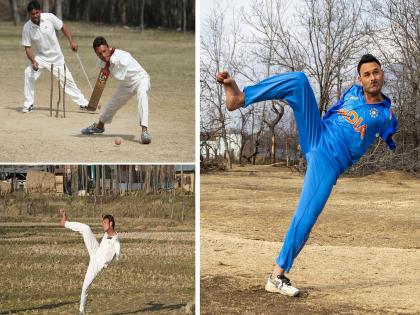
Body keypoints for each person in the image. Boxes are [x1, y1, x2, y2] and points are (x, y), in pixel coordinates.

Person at [216, 54, 398, 296]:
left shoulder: (387, 116)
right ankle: (240, 97)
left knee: (306, 217)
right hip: (317, 132)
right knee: (300, 81)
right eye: (367, 74)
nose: (372, 77)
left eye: (376, 72)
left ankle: (276, 276)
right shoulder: (353, 92)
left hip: (330, 161)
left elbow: (388, 137)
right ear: (359, 79)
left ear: (382, 74)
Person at [81, 36, 152, 144]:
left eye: (104, 51)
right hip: (125, 84)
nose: (103, 55)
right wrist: (93, 104)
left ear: (108, 48)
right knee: (112, 104)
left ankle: (144, 131)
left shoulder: (122, 56)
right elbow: (101, 81)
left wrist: (106, 66)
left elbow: (118, 74)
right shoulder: (103, 62)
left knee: (142, 95)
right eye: (99, 54)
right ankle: (99, 127)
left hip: (140, 80)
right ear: (96, 54)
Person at [22, 0, 89, 113]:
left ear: (40, 11)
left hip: (57, 58)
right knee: (28, 73)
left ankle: (84, 104)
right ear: (29, 14)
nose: (35, 16)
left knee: (68, 82)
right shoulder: (27, 28)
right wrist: (33, 61)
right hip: (41, 58)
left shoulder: (49, 17)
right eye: (32, 14)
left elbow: (63, 27)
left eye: (37, 12)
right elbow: (27, 47)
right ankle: (28, 104)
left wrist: (71, 41)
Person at [59, 209, 121, 314]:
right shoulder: (107, 234)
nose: (102, 225)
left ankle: (81, 312)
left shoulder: (116, 241)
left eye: (104, 222)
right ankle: (65, 223)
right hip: (95, 251)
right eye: (102, 222)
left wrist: (116, 255)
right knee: (86, 228)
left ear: (111, 224)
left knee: (85, 288)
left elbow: (117, 252)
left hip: (97, 264)